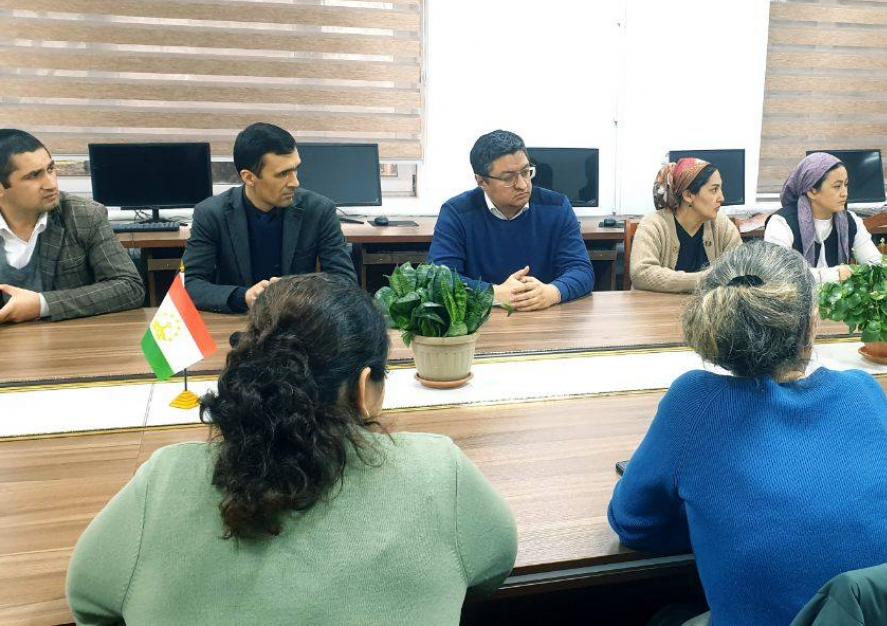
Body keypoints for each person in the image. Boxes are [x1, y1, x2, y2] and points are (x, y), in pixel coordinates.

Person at [66, 273, 518, 624]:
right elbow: (491, 569)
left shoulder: (164, 478)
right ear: (366, 388)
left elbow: (88, 600)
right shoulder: (438, 470)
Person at [608, 243, 887, 625]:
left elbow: (633, 524)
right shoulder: (864, 392)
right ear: (812, 324)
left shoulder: (694, 403)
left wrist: (716, 522)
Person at [182, 122, 356, 314]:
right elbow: (189, 284)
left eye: (295, 169)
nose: (295, 182)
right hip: (238, 319)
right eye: (283, 174)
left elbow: (345, 281)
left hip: (299, 319)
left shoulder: (319, 210)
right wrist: (244, 296)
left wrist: (298, 292)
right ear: (249, 178)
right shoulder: (211, 214)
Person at [427, 130, 594, 311]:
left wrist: (553, 292)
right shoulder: (456, 213)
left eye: (526, 172)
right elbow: (439, 279)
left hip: (543, 314)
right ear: (481, 181)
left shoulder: (557, 206)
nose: (522, 185)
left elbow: (581, 270)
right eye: (508, 178)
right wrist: (493, 294)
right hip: (481, 318)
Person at [0, 129, 143, 323]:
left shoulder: (84, 215)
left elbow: (130, 287)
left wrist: (42, 304)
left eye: (50, 169)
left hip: (71, 338)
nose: (51, 184)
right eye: (34, 176)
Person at [627, 157, 742, 293]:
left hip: (706, 306)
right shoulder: (654, 224)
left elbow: (742, 267)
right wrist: (704, 280)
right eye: (714, 190)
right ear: (688, 195)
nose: (722, 198)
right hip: (658, 305)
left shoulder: (721, 224)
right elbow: (641, 273)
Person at [764, 152, 882, 283]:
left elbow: (875, 263)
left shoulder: (851, 221)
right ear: (811, 191)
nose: (844, 193)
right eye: (837, 186)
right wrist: (835, 275)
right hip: (795, 296)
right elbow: (776, 274)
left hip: (839, 296)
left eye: (846, 185)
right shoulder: (781, 223)